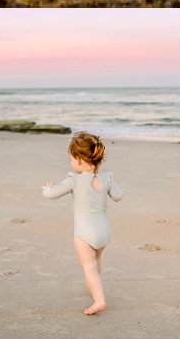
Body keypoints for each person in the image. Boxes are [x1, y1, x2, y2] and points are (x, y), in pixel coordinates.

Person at [41, 131, 123, 316]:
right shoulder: (106, 179)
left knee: (89, 268)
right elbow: (119, 196)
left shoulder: (74, 180)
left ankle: (99, 300)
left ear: (78, 160)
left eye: (71, 158)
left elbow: (51, 194)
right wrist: (112, 183)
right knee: (95, 262)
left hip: (84, 235)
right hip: (104, 233)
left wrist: (46, 188)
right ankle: (94, 286)